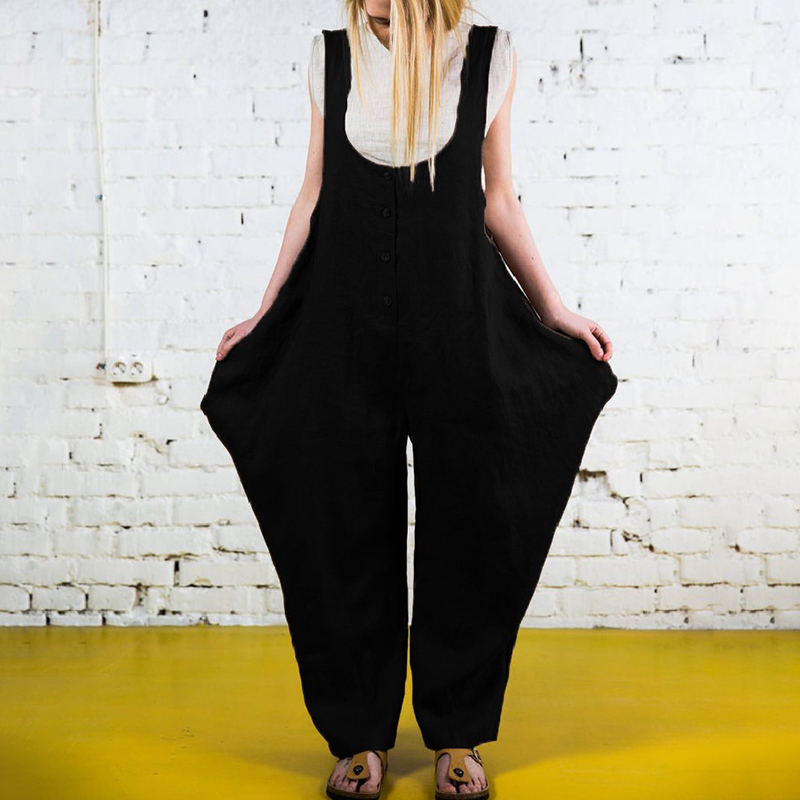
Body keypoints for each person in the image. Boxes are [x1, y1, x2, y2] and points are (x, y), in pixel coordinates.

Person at [200, 1, 618, 797]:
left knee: (474, 519)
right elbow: (312, 197)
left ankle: (459, 732)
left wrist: (554, 308)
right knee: (340, 523)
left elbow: (498, 200)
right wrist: (265, 311)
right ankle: (359, 734)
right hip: (340, 324)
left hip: (459, 321)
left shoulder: (487, 54)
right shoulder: (331, 57)